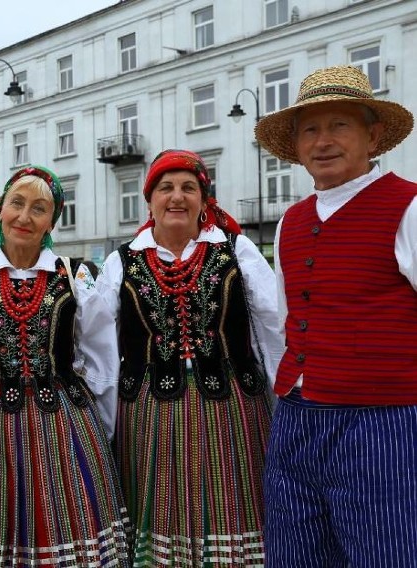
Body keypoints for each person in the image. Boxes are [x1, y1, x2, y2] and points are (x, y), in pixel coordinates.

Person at [254, 65, 417, 567]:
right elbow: (286, 321)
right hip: (296, 419)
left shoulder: (408, 207)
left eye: (339, 125)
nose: (323, 141)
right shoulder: (292, 221)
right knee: (294, 554)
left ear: (373, 136)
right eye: (310, 129)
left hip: (382, 422)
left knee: (384, 554)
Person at [95, 149, 282, 565]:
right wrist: (103, 422)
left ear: (203, 199)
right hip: (147, 413)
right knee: (160, 507)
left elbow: (272, 328)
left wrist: (284, 402)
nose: (176, 197)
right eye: (166, 188)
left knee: (232, 503)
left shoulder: (237, 250)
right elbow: (100, 348)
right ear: (150, 200)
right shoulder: (120, 262)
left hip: (232, 409)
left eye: (188, 188)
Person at [0, 165, 130, 566]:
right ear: (1, 209)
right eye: (17, 204)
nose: (25, 217)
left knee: (68, 522)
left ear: (51, 221)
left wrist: (101, 429)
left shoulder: (74, 275)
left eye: (39, 208)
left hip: (64, 421)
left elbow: (101, 358)